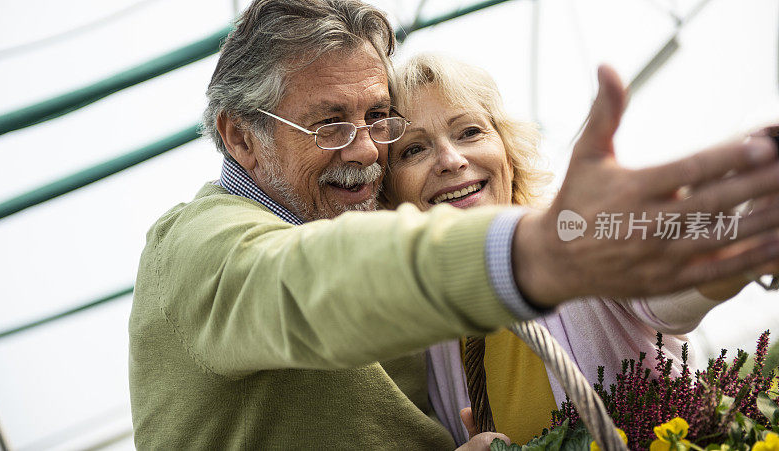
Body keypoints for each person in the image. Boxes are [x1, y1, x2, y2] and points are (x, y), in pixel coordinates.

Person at [128, 0, 779, 448]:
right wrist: (540, 254)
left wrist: (737, 229)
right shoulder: (200, 250)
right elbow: (310, 281)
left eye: (377, 120)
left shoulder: (573, 247)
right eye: (330, 122)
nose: (361, 149)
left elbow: (656, 276)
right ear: (240, 136)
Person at [380, 53, 779, 445]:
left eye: (469, 132)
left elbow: (661, 289)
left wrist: (743, 244)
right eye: (413, 150)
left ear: (507, 151)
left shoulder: (576, 238)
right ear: (390, 191)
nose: (451, 160)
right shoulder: (426, 334)